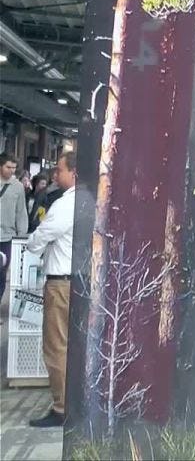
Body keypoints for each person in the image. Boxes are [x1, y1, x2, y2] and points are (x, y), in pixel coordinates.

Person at [26, 151, 77, 428]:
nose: (56, 174)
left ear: (74, 173)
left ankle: (62, 407)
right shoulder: (93, 200)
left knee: (57, 346)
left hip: (61, 283)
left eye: (60, 170)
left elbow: (45, 233)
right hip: (82, 281)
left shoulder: (66, 203)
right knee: (76, 345)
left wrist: (33, 244)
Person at [0, 152, 29, 302]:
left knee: (1, 273)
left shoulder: (17, 187)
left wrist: (22, 235)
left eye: (14, 168)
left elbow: (21, 212)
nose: (11, 170)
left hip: (7, 237)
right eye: (8, 167)